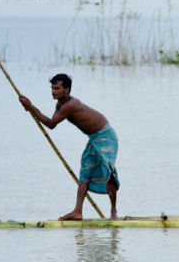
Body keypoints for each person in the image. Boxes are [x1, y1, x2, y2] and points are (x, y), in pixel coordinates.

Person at [19, 73, 120, 220]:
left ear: (66, 90)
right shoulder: (60, 104)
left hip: (106, 137)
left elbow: (51, 124)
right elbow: (50, 120)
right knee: (85, 170)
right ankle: (78, 211)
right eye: (52, 88)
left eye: (57, 88)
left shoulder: (70, 105)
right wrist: (30, 107)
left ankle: (113, 212)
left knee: (107, 170)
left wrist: (30, 107)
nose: (53, 91)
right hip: (93, 138)